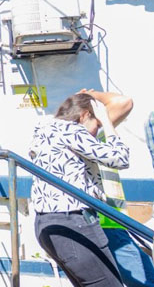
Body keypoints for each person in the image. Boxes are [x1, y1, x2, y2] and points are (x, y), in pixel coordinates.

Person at [30, 93, 130, 287]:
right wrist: (108, 125)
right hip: (73, 221)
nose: (95, 132)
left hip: (45, 222)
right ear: (84, 115)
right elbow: (120, 158)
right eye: (97, 125)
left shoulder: (44, 130)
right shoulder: (72, 130)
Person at [79, 90, 154, 287]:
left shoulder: (65, 135)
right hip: (103, 220)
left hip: (105, 218)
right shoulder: (84, 133)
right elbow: (124, 102)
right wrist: (90, 94)